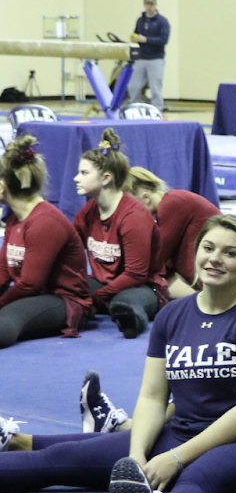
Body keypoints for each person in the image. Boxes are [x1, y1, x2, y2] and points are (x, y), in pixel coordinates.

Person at [0, 216, 236, 493]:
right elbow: (154, 397)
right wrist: (136, 455)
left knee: (199, 480)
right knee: (59, 459)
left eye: (230, 253)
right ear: (196, 253)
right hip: (180, 433)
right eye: (208, 248)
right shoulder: (174, 315)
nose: (215, 259)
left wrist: (176, 458)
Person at [0, 135, 92, 347]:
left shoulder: (45, 222)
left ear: (3, 186)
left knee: (8, 317)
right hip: (35, 294)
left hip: (63, 300)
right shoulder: (15, 219)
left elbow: (30, 283)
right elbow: (3, 270)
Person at [73, 130, 165, 338]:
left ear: (106, 178)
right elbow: (68, 246)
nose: (76, 179)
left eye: (84, 173)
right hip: (102, 284)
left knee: (125, 302)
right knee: (66, 285)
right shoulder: (88, 211)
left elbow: (135, 274)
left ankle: (131, 318)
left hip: (142, 288)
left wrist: (96, 298)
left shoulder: (134, 217)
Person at [126, 166, 218, 300]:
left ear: (145, 197)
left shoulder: (173, 202)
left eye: (131, 205)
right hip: (207, 273)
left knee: (148, 274)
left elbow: (157, 255)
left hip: (213, 275)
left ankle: (203, 303)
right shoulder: (170, 204)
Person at [127, 0, 169, 112]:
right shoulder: (140, 20)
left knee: (155, 88)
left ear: (155, 6)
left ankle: (157, 110)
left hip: (155, 59)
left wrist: (146, 40)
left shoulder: (162, 21)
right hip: (141, 58)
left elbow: (164, 39)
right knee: (134, 86)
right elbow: (136, 34)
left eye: (152, 4)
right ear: (144, 5)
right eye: (147, 4)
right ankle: (135, 108)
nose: (149, 7)